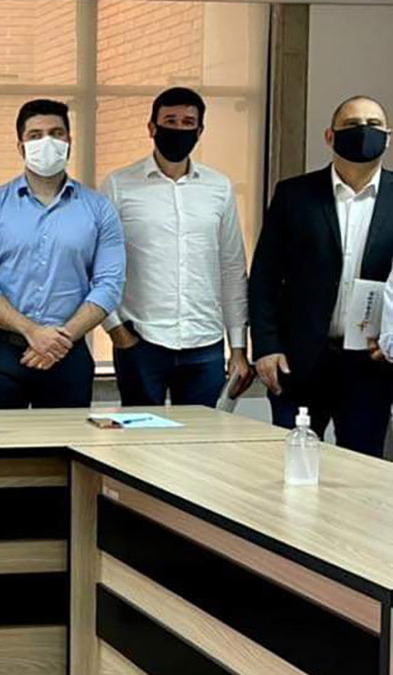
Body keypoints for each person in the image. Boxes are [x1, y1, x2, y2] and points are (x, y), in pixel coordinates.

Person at [252, 95, 393, 457]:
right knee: (290, 467)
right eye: (352, 125)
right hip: (297, 361)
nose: (364, 132)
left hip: (370, 364)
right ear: (330, 136)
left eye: (374, 125)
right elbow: (265, 277)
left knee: (361, 471)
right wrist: (265, 347)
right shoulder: (294, 195)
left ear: (388, 137)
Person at [0, 99, 125, 409]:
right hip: (2, 353)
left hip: (69, 353)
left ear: (69, 142)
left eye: (56, 133)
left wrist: (59, 340)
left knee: (65, 439)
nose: (47, 142)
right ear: (20, 146)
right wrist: (32, 332)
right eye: (35, 135)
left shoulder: (99, 209)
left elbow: (109, 284)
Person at [102, 88, 251, 408]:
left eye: (188, 122)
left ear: (199, 131)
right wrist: (116, 330)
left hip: (205, 343)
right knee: (140, 436)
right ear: (152, 128)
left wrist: (238, 347)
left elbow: (231, 267)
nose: (179, 129)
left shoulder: (219, 187)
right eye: (170, 120)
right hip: (141, 341)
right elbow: (99, 264)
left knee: (202, 436)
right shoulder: (119, 184)